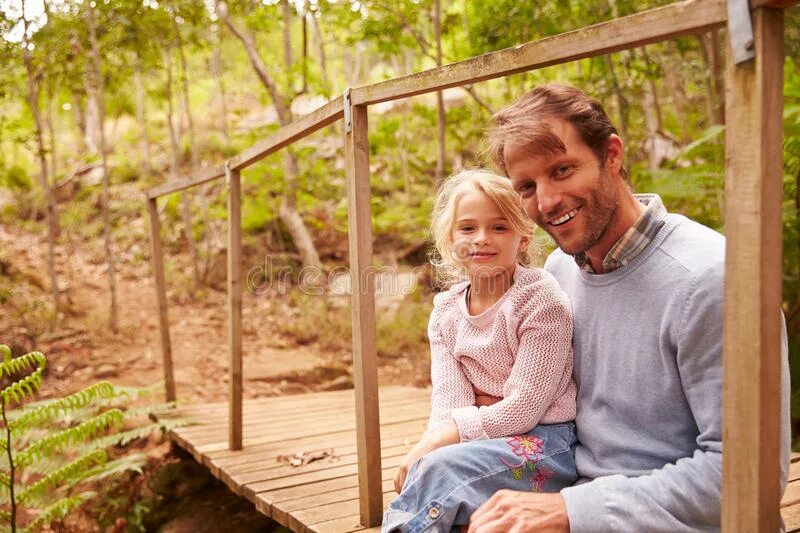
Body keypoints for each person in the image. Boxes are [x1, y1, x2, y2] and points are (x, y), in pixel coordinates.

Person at [463, 83, 790, 532]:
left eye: (562, 170)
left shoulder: (713, 279)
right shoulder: (558, 273)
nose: (547, 201)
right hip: (572, 494)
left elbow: (746, 478)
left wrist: (573, 511)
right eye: (527, 186)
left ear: (611, 155)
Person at [382, 169, 579, 533]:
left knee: (440, 467)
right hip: (487, 442)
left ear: (523, 236)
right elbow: (449, 404)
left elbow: (522, 409)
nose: (482, 239)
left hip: (547, 444)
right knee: (435, 469)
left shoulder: (540, 300)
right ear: (451, 238)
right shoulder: (445, 311)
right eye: (468, 228)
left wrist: (439, 440)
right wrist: (438, 440)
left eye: (499, 227)